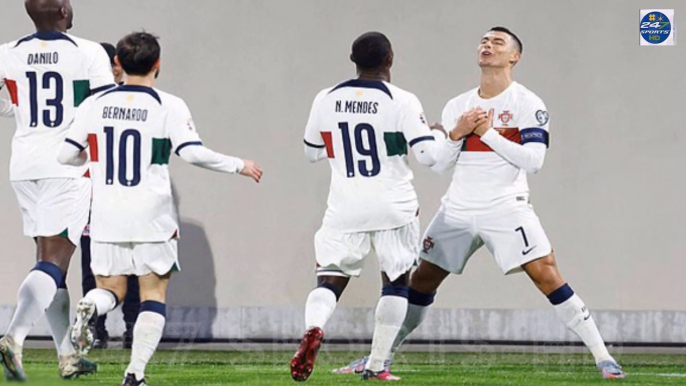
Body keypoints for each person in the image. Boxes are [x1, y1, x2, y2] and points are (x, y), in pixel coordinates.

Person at [334, 27, 626, 380]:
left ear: (514, 57)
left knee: (547, 274)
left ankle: (604, 358)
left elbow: (534, 161)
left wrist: (485, 133)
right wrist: (456, 133)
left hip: (506, 208)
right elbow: (440, 164)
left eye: (497, 42)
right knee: (420, 282)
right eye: (484, 41)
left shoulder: (528, 103)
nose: (487, 45)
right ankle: (380, 359)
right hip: (456, 209)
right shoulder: (459, 105)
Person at [59, 31, 263, 386]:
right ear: (158, 65)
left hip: (106, 216)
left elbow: (66, 155)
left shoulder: (92, 105)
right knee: (153, 294)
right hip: (151, 216)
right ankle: (135, 374)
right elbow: (192, 153)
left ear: (117, 65)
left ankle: (92, 306)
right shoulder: (168, 105)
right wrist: (238, 164)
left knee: (111, 290)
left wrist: (90, 157)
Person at [291, 31, 455, 382]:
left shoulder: (326, 97)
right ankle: (378, 365)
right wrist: (441, 133)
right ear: (390, 59)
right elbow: (427, 155)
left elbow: (310, 151)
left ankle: (314, 327)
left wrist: (340, 148)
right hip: (392, 205)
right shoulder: (402, 100)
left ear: (353, 60)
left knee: (329, 278)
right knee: (396, 281)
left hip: (344, 204)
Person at [0, 0, 115, 380]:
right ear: (63, 11)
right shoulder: (88, 52)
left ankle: (67, 355)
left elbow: (7, 103)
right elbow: (104, 109)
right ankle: (13, 336)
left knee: (50, 261)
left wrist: (17, 107)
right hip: (66, 166)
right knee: (53, 259)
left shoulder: (7, 53)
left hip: (24, 165)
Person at [80, 42, 140, 350]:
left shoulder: (133, 98)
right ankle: (93, 327)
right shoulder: (86, 101)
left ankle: (132, 326)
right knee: (92, 264)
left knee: (131, 264)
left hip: (121, 193)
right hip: (94, 193)